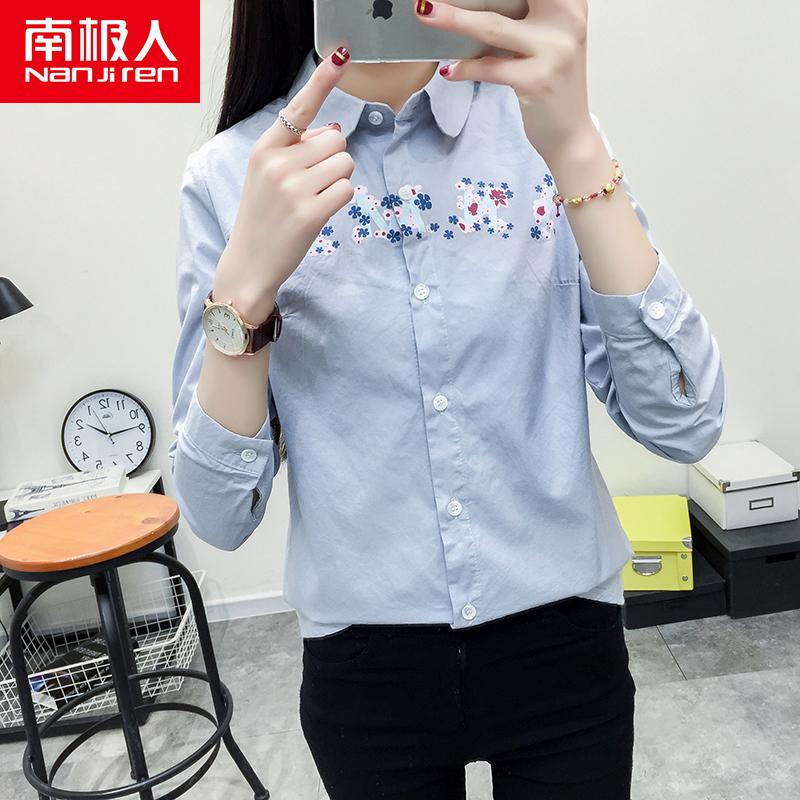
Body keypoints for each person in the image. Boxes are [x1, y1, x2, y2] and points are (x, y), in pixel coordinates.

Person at [169, 1, 726, 797]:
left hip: (565, 638)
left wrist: (575, 146)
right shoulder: (234, 176)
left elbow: (686, 420)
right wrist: (244, 293)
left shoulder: (542, 131)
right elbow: (219, 517)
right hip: (366, 667)